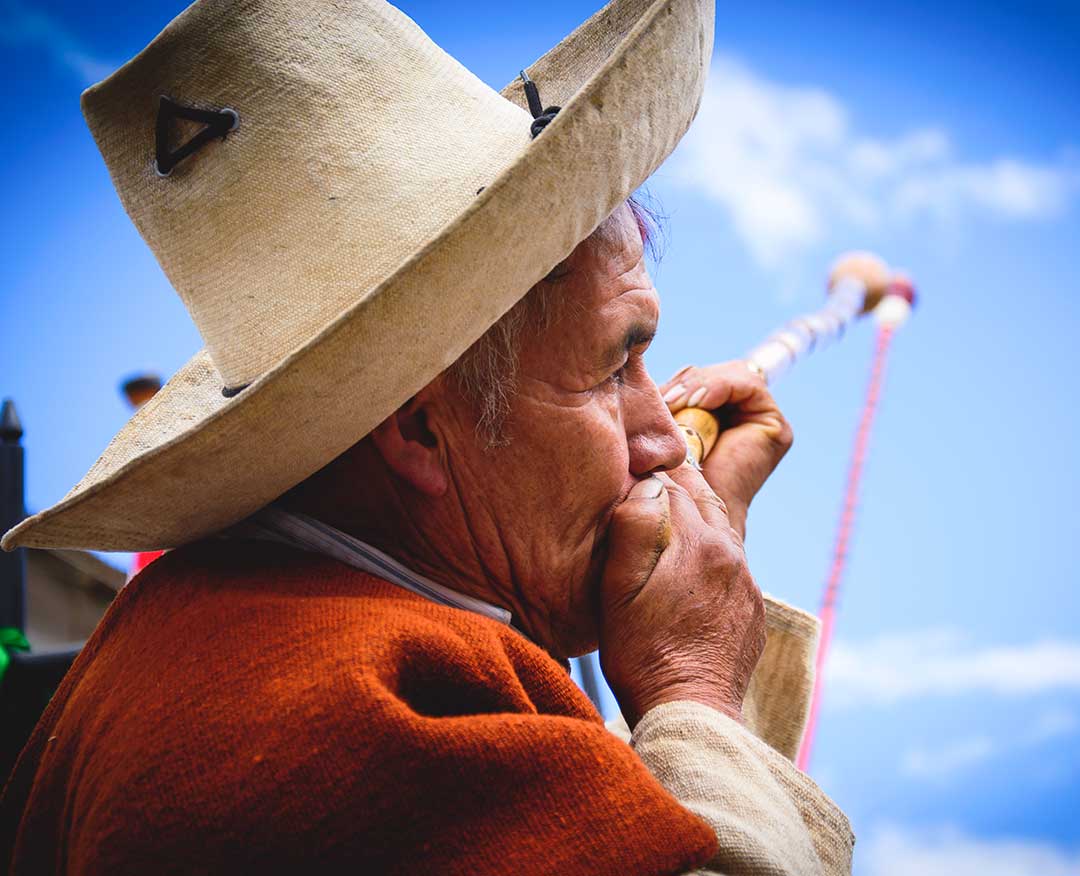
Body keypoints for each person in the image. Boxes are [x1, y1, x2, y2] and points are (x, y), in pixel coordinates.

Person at [1, 0, 854, 872]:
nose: (665, 440)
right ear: (418, 429)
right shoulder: (367, 711)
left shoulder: (208, 637)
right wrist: (696, 683)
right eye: (609, 369)